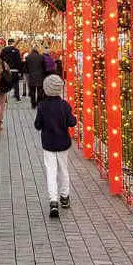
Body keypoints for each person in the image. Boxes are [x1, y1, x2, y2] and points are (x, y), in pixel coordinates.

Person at [34, 74, 77, 219]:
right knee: (64, 170)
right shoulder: (64, 105)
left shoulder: (42, 106)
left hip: (48, 144)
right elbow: (72, 122)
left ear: (46, 89)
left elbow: (37, 125)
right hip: (63, 143)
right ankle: (65, 197)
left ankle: (53, 201)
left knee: (51, 172)